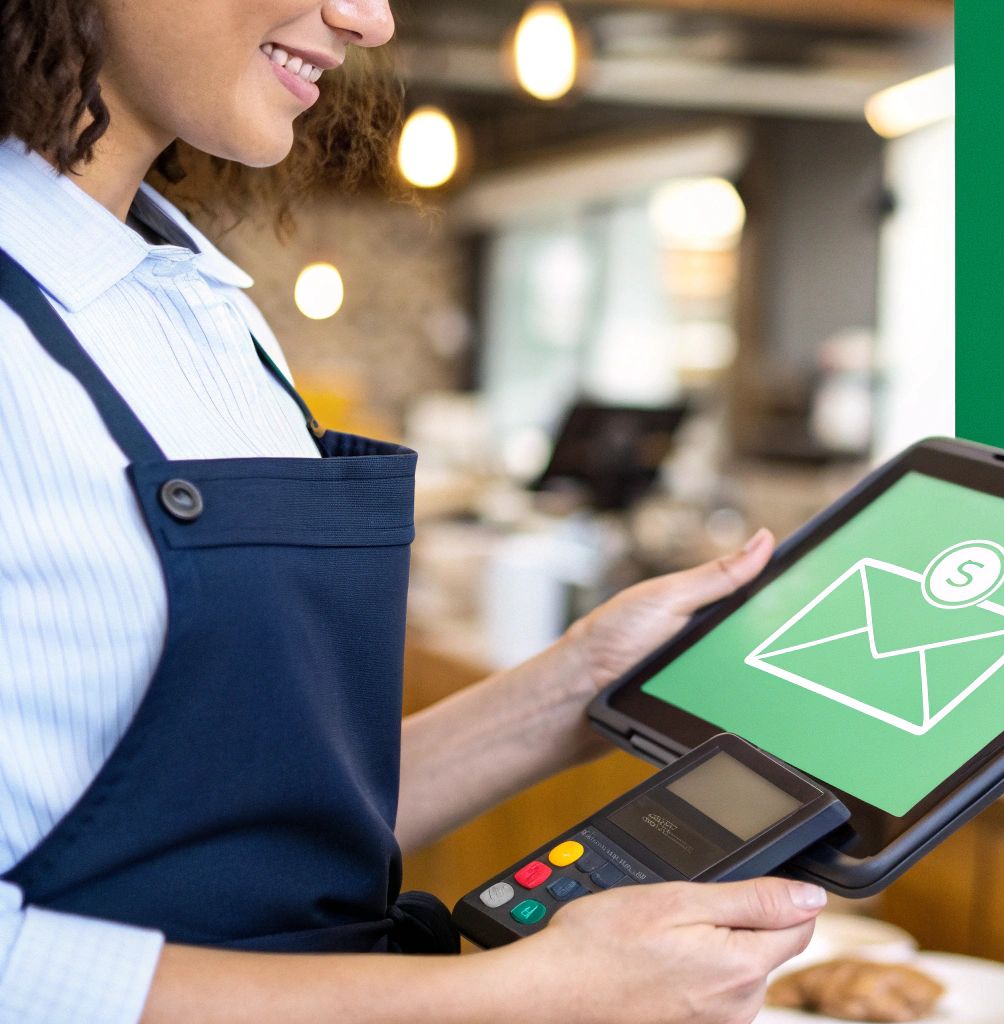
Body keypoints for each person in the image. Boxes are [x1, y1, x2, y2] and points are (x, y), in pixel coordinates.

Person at [0, 1, 824, 1021]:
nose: (368, 19)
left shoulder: (203, 313)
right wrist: (510, 998)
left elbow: (264, 828)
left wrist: (581, 683)